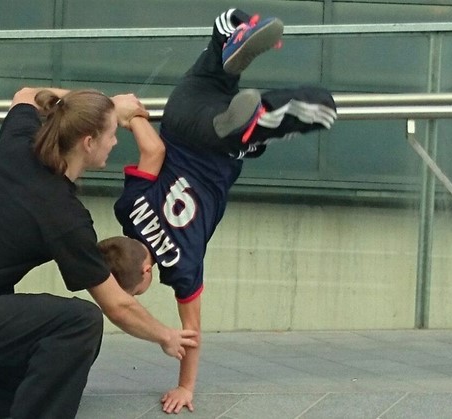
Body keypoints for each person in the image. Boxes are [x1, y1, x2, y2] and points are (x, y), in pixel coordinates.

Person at [97, 8, 337, 414]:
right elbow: (153, 150)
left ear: (145, 271)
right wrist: (134, 116)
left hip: (216, 151)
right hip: (182, 115)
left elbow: (191, 333)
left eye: (138, 290)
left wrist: (185, 387)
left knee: (322, 108)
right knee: (218, 42)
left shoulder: (181, 265)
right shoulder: (129, 207)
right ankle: (236, 34)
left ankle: (250, 124)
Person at [0, 86, 198, 419]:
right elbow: (117, 306)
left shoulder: (21, 142)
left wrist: (109, 106)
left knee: (17, 393)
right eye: (110, 134)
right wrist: (166, 336)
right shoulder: (63, 215)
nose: (115, 142)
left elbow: (25, 94)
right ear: (88, 142)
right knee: (79, 325)